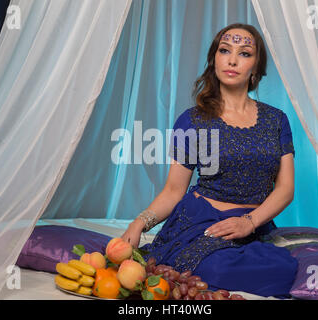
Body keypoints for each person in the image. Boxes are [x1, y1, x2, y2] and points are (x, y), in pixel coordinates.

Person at [121, 23, 298, 298]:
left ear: (256, 66)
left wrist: (248, 222)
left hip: (256, 224)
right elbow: (173, 190)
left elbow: (286, 189)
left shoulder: (277, 120)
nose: (232, 59)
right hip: (204, 222)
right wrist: (139, 223)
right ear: (214, 58)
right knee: (213, 269)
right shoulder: (193, 121)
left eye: (244, 53)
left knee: (284, 269)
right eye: (224, 50)